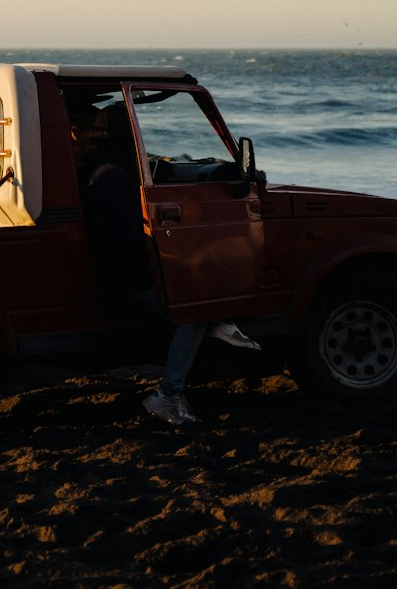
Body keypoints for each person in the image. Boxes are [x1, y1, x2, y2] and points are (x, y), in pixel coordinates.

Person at [71, 109, 260, 428]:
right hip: (125, 281)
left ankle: (221, 324)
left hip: (113, 273)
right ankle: (168, 394)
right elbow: (131, 241)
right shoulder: (112, 178)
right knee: (194, 309)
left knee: (194, 283)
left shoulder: (97, 172)